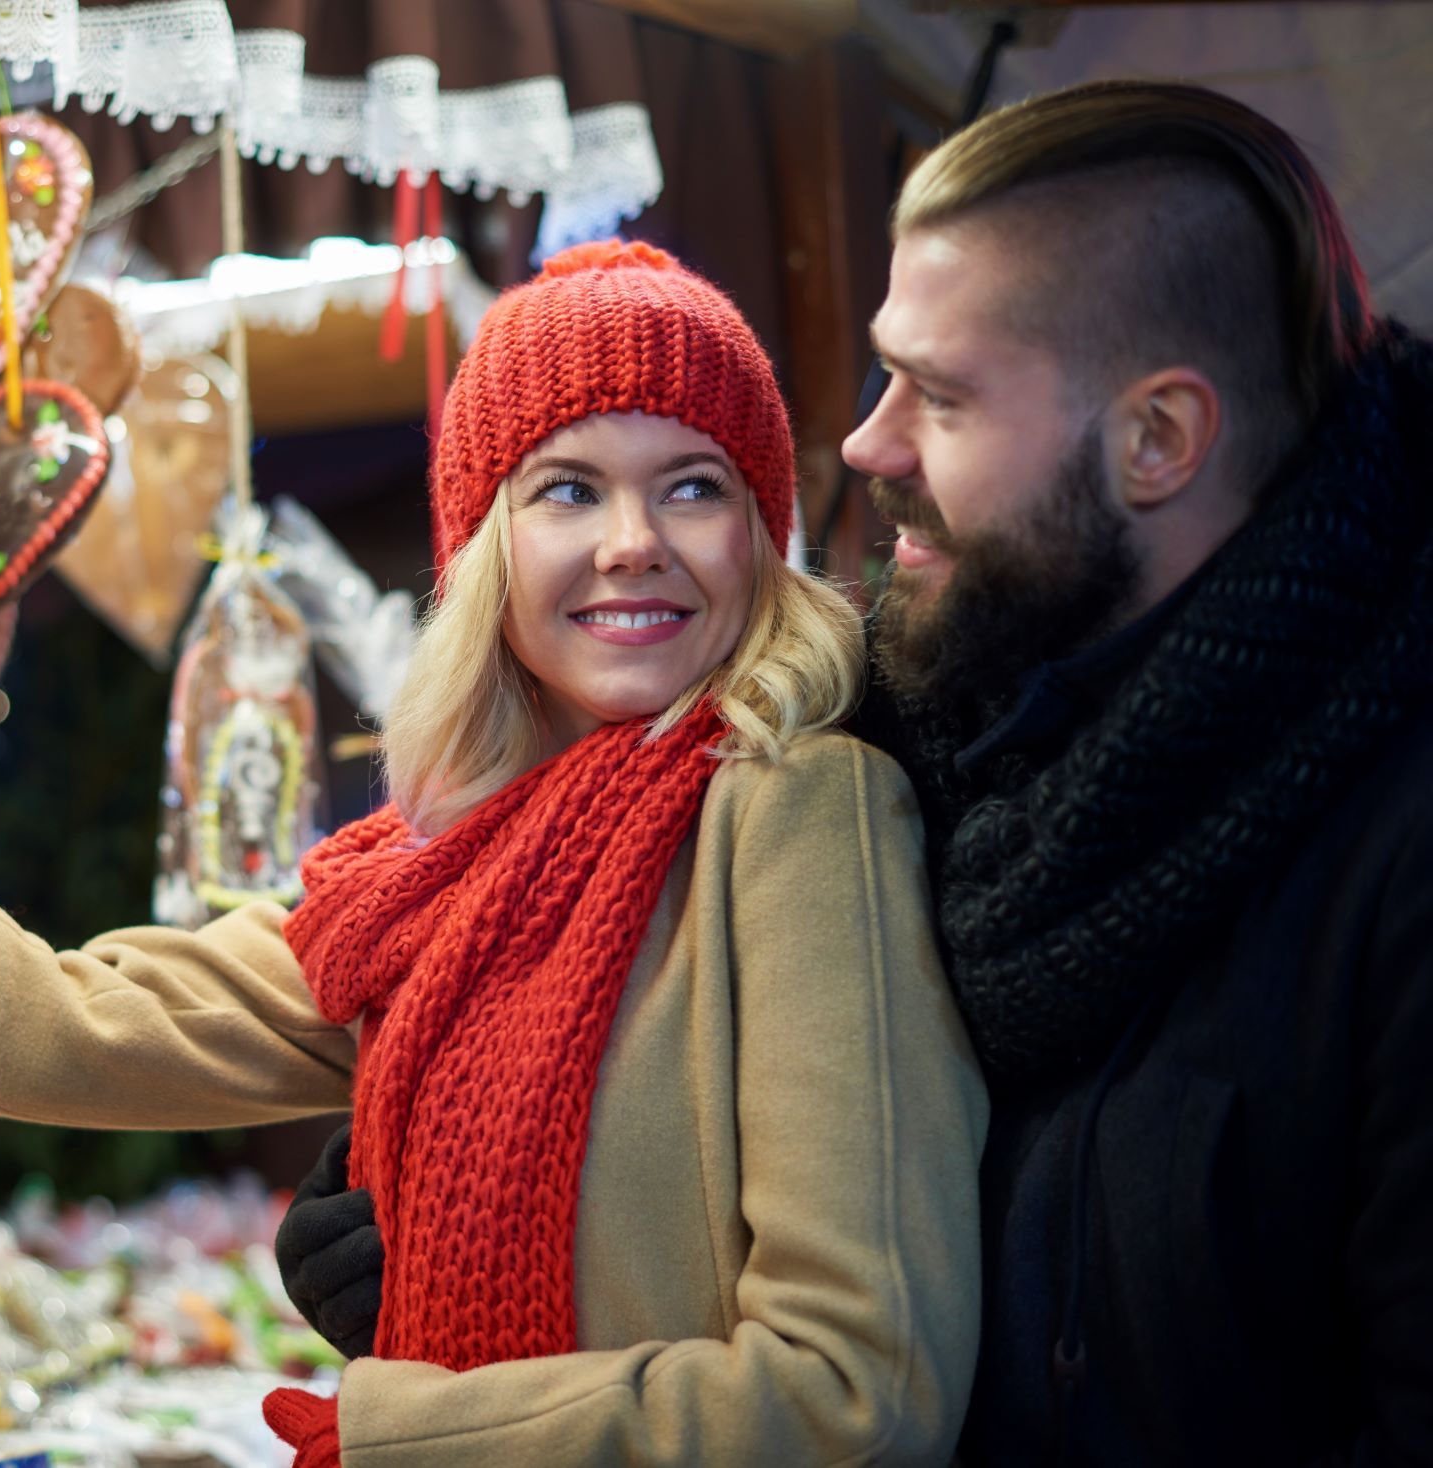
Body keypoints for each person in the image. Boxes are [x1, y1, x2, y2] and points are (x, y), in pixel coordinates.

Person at [0, 241, 988, 1465]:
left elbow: (858, 1394)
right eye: (567, 488)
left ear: (760, 532)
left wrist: (419, 1433)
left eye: (692, 484)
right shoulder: (435, 877)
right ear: (483, 557)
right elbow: (42, 1031)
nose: (630, 542)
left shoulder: (803, 813)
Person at [278, 80, 1433, 1464]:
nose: (866, 444)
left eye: (937, 396)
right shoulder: (914, 722)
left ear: (1157, 441)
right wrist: (477, 1197)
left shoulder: (1388, 856)